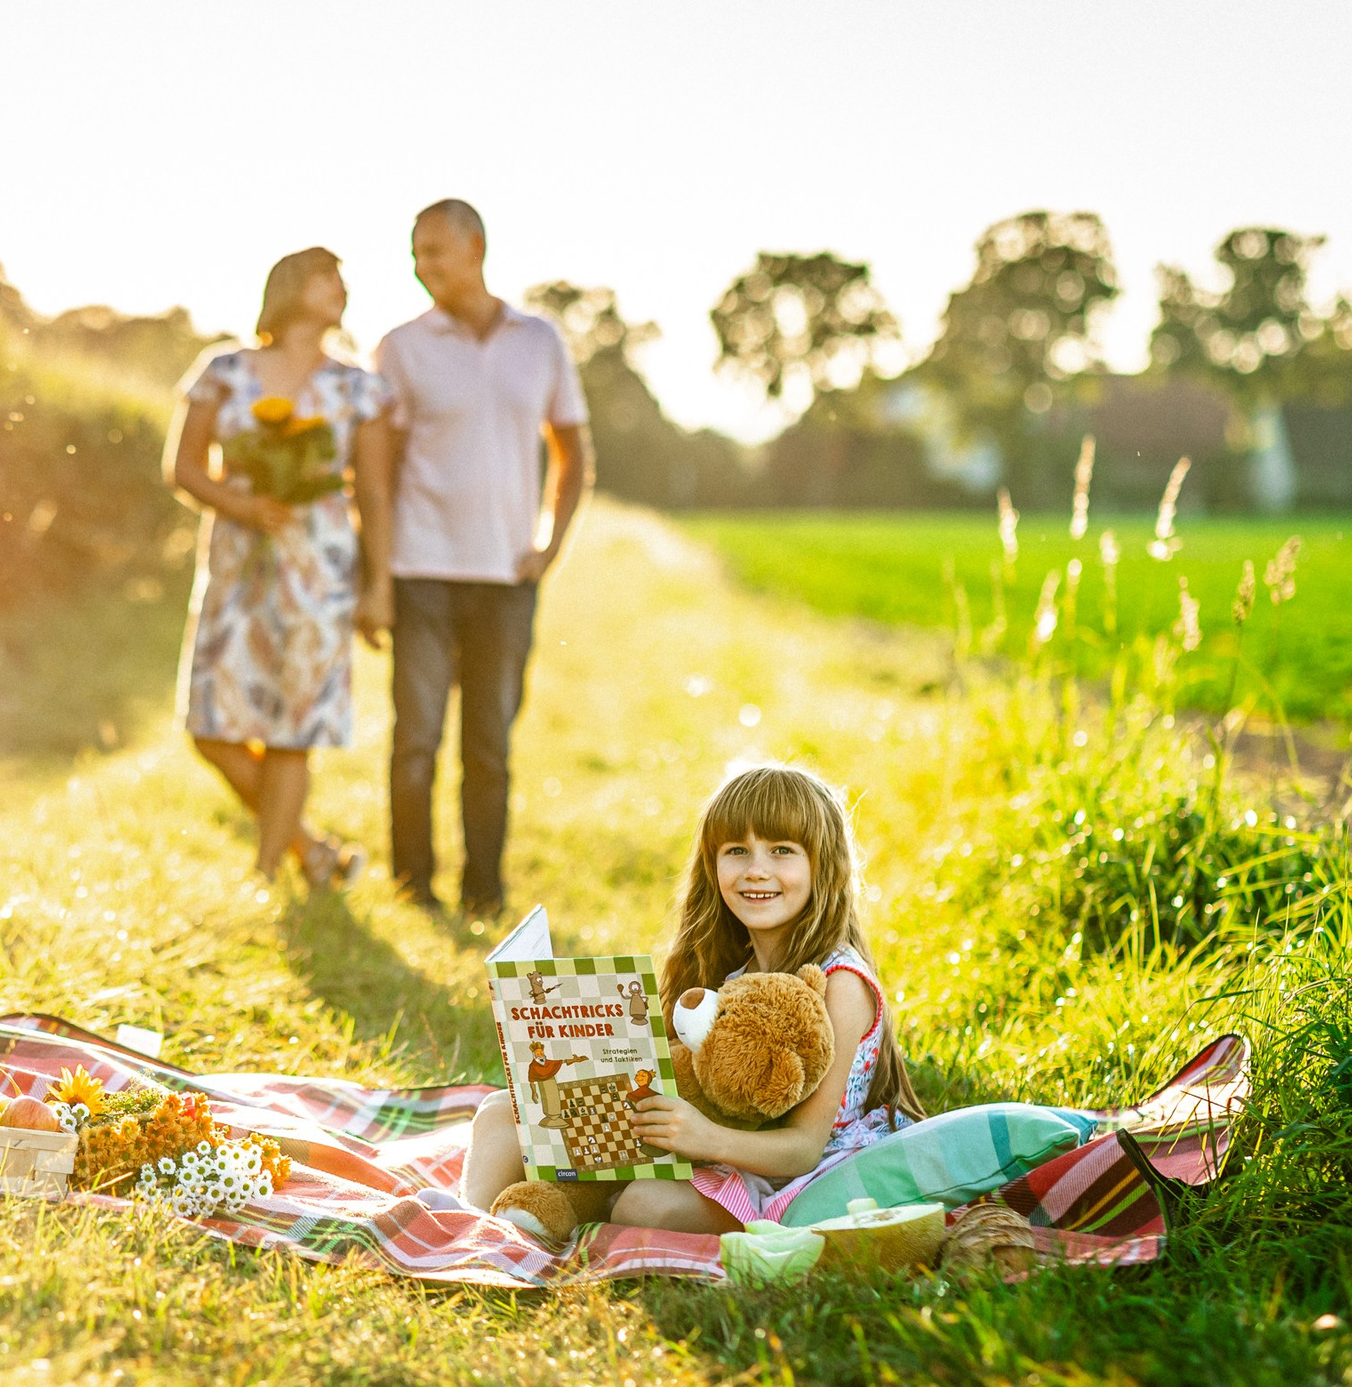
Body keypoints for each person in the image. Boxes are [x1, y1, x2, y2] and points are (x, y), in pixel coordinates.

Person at [457, 763, 927, 1232]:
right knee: (501, 1112)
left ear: (821, 864)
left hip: (788, 1179)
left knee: (643, 1205)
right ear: (713, 864)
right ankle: (465, 1226)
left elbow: (802, 1148)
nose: (756, 871)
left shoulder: (841, 983)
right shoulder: (730, 970)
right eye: (736, 851)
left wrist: (704, 1138)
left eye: (781, 850)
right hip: (703, 1149)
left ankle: (569, 1208)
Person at [368, 200, 589, 917]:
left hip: (505, 578)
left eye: (434, 250)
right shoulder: (401, 347)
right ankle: (412, 889)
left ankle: (484, 896)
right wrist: (372, 575)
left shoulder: (540, 341)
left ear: (476, 247)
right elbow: (376, 469)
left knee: (489, 746)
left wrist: (549, 544)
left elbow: (573, 450)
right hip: (421, 569)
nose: (420, 265)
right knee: (417, 741)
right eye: (414, 253)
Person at [167, 248, 396, 883]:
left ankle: (268, 877)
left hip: (320, 570)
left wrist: (378, 586)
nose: (341, 288)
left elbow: (374, 495)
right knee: (211, 728)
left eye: (343, 279)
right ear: (293, 286)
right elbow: (183, 468)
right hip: (238, 569)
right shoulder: (223, 370)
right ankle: (312, 851)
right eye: (328, 277)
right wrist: (244, 503)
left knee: (295, 728)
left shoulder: (359, 387)